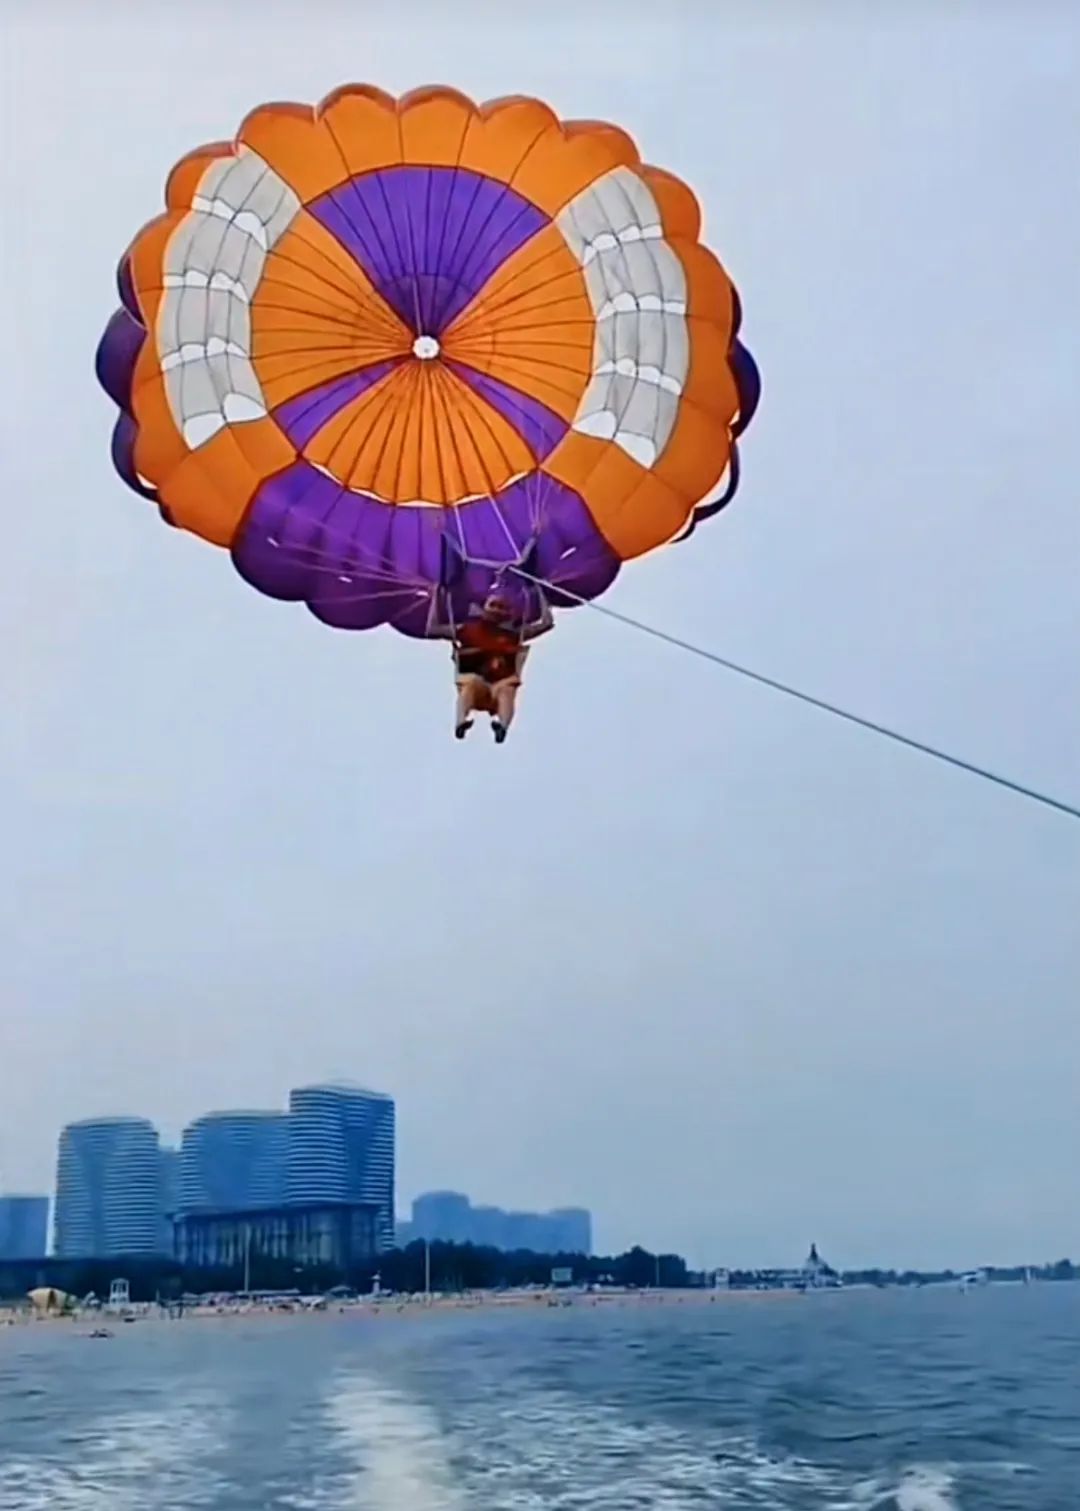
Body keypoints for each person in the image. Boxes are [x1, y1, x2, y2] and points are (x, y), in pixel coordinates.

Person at [452, 589, 552, 743]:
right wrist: (437, 596)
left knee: (507, 690)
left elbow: (546, 623)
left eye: (502, 607)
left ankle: (502, 726)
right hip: (476, 682)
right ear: (484, 608)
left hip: (501, 682)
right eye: (493, 605)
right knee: (469, 686)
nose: (497, 610)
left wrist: (541, 592)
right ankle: (460, 722)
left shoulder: (514, 634)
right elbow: (432, 628)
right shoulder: (466, 630)